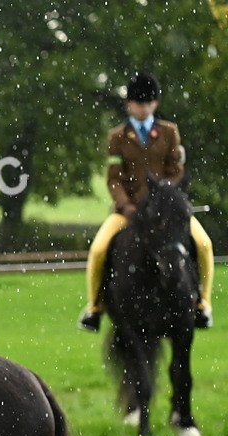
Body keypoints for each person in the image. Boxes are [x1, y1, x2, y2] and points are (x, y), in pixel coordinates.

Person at [80, 71, 214, 331]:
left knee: (204, 244)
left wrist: (164, 198)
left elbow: (176, 170)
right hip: (128, 210)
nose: (143, 108)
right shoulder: (117, 137)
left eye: (148, 103)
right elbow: (114, 178)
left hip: (166, 211)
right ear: (129, 104)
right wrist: (126, 205)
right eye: (138, 103)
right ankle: (94, 308)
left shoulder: (169, 132)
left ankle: (202, 304)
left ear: (155, 103)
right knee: (98, 250)